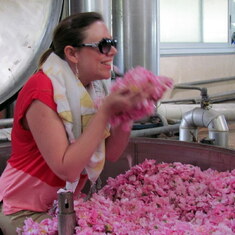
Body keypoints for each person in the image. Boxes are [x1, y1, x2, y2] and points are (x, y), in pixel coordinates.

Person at [0, 12, 156, 234]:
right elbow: (67, 169)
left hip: (63, 206)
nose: (113, 51)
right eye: (103, 45)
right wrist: (105, 112)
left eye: (113, 43)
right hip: (23, 210)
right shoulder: (42, 90)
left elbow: (111, 152)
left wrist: (127, 114)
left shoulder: (92, 89)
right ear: (72, 53)